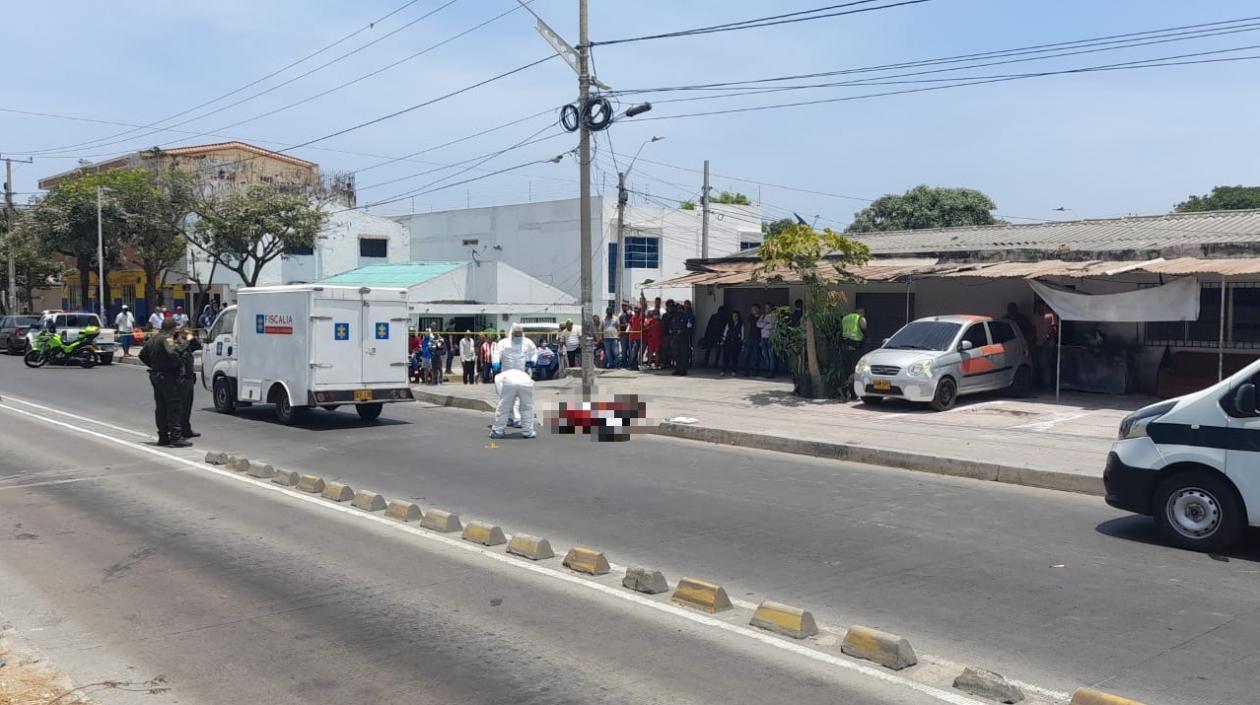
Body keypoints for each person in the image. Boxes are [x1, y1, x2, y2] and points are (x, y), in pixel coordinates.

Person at [138, 318, 190, 447]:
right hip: (168, 376)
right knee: (174, 405)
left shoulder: (153, 339)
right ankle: (175, 437)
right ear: (172, 329)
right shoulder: (167, 338)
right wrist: (180, 363)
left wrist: (154, 365)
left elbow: (142, 355)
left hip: (156, 375)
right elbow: (172, 352)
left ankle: (163, 437)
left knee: (161, 407)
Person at [490, 324, 537, 439]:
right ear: (511, 334)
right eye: (516, 334)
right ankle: (527, 430)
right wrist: (496, 361)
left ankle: (499, 430)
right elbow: (496, 353)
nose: (518, 336)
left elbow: (534, 352)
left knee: (504, 404)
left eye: (520, 334)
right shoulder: (503, 343)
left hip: (514, 376)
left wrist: (533, 361)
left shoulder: (528, 342)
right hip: (521, 378)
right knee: (527, 406)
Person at [176, 325, 203, 440]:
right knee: (180, 406)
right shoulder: (176, 345)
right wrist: (186, 339)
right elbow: (181, 349)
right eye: (184, 334)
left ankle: (186, 429)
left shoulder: (187, 345)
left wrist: (191, 337)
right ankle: (178, 431)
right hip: (181, 380)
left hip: (189, 379)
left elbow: (198, 345)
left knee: (187, 406)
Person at [840, 307, 867, 396]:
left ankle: (845, 388)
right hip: (855, 348)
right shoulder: (860, 318)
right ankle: (852, 391)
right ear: (861, 312)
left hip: (844, 347)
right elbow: (864, 328)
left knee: (846, 370)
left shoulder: (845, 318)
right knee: (855, 370)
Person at [1032, 301, 1058, 387]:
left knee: (1046, 364)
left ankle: (1047, 383)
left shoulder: (1050, 315)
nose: (1040, 308)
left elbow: (1054, 329)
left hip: (1048, 344)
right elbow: (1033, 328)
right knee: (1037, 363)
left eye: (1041, 306)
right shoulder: (1035, 316)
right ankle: (1038, 383)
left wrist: (1049, 338)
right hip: (1037, 343)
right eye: (1038, 306)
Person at [667, 299, 692, 376]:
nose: (679, 311)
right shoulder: (674, 317)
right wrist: (670, 330)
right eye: (678, 309)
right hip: (675, 338)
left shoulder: (686, 318)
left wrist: (682, 331)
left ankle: (683, 370)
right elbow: (670, 325)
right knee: (676, 354)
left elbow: (689, 327)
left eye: (681, 309)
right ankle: (677, 369)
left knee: (683, 355)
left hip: (683, 339)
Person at [720, 309, 744, 377]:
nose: (734, 317)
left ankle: (734, 371)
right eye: (733, 316)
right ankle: (723, 370)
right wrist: (723, 340)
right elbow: (725, 332)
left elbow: (742, 334)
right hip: (728, 341)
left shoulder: (741, 324)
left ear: (738, 316)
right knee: (726, 357)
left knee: (735, 357)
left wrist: (742, 343)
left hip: (736, 341)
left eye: (736, 316)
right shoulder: (729, 323)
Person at [742, 304, 763, 377]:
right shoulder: (750, 317)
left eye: (754, 308)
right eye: (752, 309)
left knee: (756, 356)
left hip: (757, 338)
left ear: (758, 309)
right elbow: (749, 325)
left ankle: (756, 372)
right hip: (749, 338)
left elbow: (760, 326)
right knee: (746, 355)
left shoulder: (762, 317)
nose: (752, 310)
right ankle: (746, 371)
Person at [759, 303, 776, 378]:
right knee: (765, 354)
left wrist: (764, 325)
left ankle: (771, 371)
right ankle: (767, 369)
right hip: (763, 338)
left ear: (771, 308)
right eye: (765, 308)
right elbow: (758, 324)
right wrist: (765, 324)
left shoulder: (774, 316)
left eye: (768, 308)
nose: (766, 309)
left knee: (771, 355)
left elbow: (772, 326)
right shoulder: (762, 316)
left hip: (771, 337)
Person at [627, 304, 644, 371]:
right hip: (631, 337)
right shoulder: (633, 317)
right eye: (635, 310)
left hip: (637, 338)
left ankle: (632, 365)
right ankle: (634, 366)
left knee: (634, 352)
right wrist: (628, 331)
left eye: (637, 311)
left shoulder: (641, 317)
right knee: (632, 352)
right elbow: (630, 324)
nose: (636, 312)